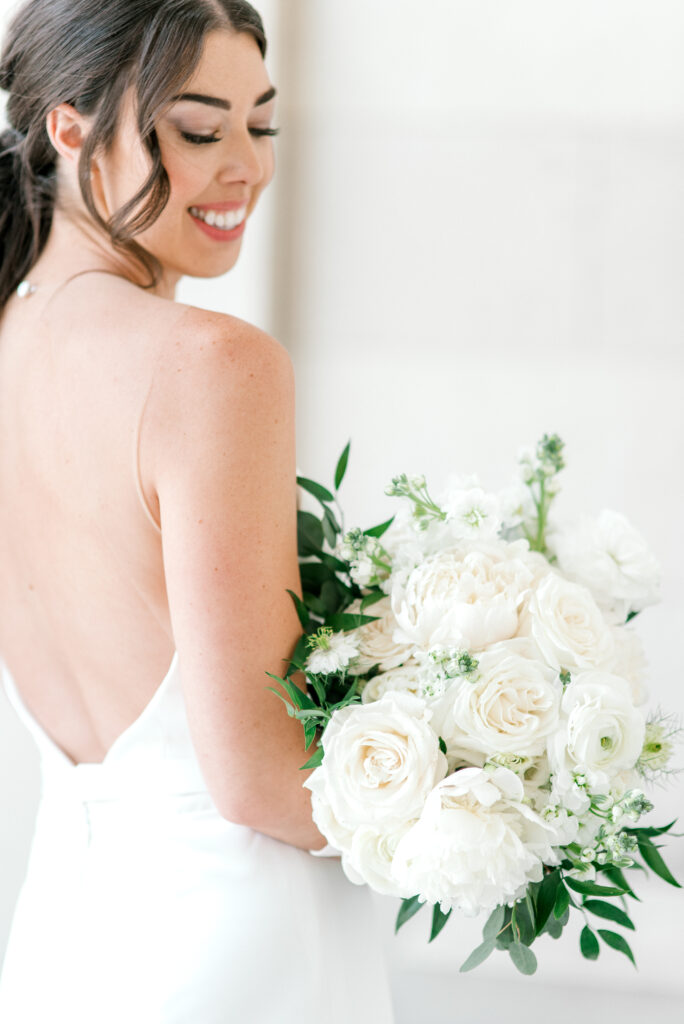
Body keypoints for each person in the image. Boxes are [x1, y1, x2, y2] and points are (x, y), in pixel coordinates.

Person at [0, 1, 395, 1021]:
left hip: (63, 931)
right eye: (199, 130)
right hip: (231, 941)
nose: (247, 169)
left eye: (262, 126)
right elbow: (261, 777)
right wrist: (500, 792)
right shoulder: (214, 366)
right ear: (69, 125)